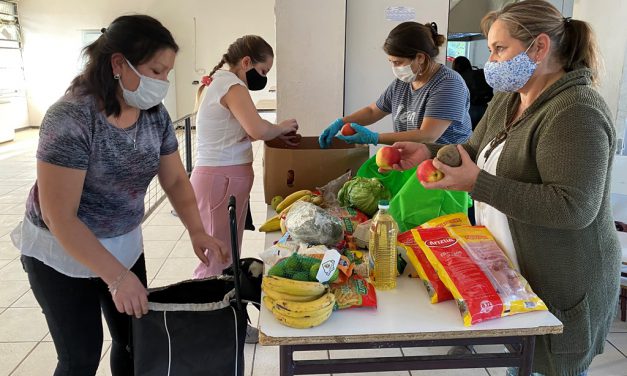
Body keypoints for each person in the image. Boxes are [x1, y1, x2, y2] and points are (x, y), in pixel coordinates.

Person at [388, 1, 620, 375]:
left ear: (539, 47)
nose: (491, 61)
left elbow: (574, 207)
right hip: (518, 273)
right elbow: (475, 151)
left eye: (500, 49)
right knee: (519, 364)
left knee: (546, 367)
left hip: (561, 280)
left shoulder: (576, 111)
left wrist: (478, 184)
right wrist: (427, 152)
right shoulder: (510, 98)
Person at [9, 15, 229, 376]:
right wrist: (116, 278)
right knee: (80, 357)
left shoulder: (153, 115)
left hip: (123, 244)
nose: (163, 83)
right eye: (156, 71)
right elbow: (58, 215)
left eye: (167, 73)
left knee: (134, 343)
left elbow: (174, 180)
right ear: (117, 64)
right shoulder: (71, 118)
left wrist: (197, 230)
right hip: (61, 253)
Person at [190, 36, 299, 341]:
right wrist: (281, 127)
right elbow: (257, 129)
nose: (262, 79)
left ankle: (224, 321)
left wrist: (274, 134)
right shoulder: (231, 86)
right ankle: (214, 327)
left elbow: (238, 132)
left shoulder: (220, 83)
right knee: (218, 257)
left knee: (224, 253)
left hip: (221, 179)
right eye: (263, 72)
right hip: (220, 180)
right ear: (247, 62)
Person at [319, 21, 472, 149]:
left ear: (420, 57)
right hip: (414, 162)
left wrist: (374, 138)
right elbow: (373, 111)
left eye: (398, 62)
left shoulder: (448, 84)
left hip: (447, 165)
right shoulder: (402, 83)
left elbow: (428, 135)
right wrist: (341, 122)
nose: (395, 68)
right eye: (391, 62)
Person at [452, 55, 494, 129]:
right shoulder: (481, 73)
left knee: (470, 135)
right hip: (485, 108)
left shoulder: (458, 78)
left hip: (469, 110)